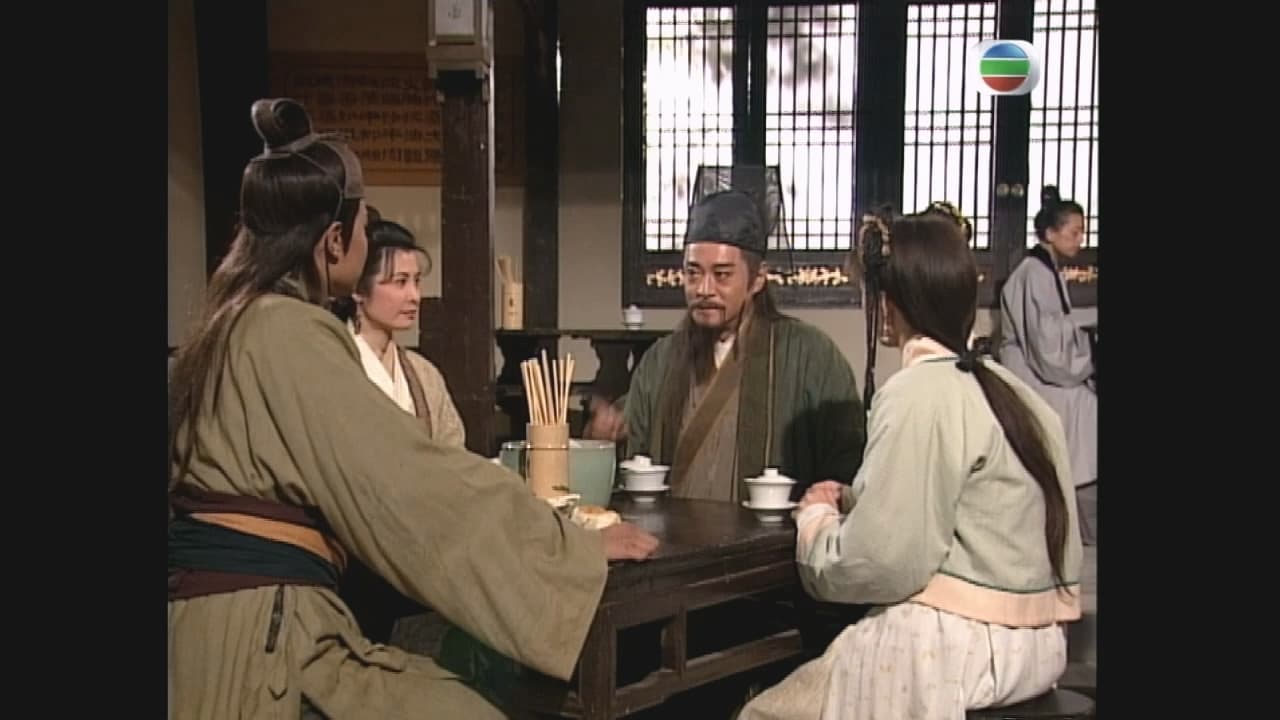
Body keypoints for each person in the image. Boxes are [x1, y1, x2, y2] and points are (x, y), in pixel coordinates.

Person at [167, 97, 658, 720]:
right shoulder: (283, 328)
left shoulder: (233, 321)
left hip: (244, 621)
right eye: (364, 226)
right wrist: (566, 548)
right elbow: (410, 481)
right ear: (334, 240)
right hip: (263, 638)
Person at [737, 202, 1083, 720]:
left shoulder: (917, 393)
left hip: (954, 647)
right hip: (1039, 646)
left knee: (765, 713)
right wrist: (856, 499)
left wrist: (817, 522)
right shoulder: (1020, 396)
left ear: (888, 303)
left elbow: (882, 562)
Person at [585, 190, 865, 502]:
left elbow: (847, 459)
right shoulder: (661, 359)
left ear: (758, 279)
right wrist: (603, 438)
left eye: (722, 275)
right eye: (693, 273)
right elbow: (632, 450)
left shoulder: (810, 355)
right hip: (672, 531)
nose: (704, 289)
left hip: (772, 534)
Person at [998, 185, 1097, 545]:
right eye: (1074, 232)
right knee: (1085, 406)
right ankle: (1079, 509)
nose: (1080, 240)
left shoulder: (1046, 269)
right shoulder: (1034, 273)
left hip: (1039, 364)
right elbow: (1047, 343)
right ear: (1051, 233)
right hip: (1029, 371)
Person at [332, 218, 465, 448]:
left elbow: (453, 453)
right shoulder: (333, 364)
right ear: (359, 289)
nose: (414, 296)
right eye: (400, 282)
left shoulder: (424, 374)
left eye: (416, 281)